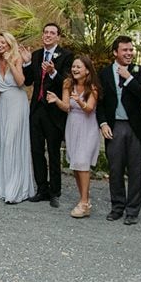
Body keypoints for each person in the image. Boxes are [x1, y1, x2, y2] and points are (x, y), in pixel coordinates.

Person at [96, 35, 141, 225]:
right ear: (115, 52)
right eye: (125, 50)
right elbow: (100, 102)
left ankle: (133, 210)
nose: (129, 53)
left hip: (135, 126)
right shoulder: (104, 73)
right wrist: (103, 123)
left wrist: (128, 78)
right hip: (114, 126)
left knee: (136, 169)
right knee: (115, 168)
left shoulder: (140, 71)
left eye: (131, 50)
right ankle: (117, 207)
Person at [22, 23, 73, 208]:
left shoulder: (66, 56)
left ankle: (55, 192)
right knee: (36, 150)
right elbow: (28, 81)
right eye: (46, 32)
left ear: (58, 37)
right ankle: (41, 189)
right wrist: (27, 63)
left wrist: (53, 72)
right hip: (37, 109)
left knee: (53, 152)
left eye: (52, 33)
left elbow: (67, 82)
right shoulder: (36, 55)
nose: (48, 35)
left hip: (54, 110)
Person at [0, 32, 35, 204]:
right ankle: (5, 187)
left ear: (10, 44)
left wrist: (11, 63)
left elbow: (21, 82)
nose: (0, 45)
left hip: (17, 103)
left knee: (12, 141)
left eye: (3, 42)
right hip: (4, 103)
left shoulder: (17, 58)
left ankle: (16, 190)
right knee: (5, 142)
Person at [47, 56, 100, 218]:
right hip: (72, 125)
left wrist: (79, 101)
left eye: (78, 67)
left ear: (87, 71)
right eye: (73, 67)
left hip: (88, 126)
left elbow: (89, 109)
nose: (75, 69)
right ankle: (84, 199)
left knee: (83, 162)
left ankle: (84, 202)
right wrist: (56, 100)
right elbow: (66, 107)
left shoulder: (93, 87)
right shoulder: (68, 83)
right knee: (76, 164)